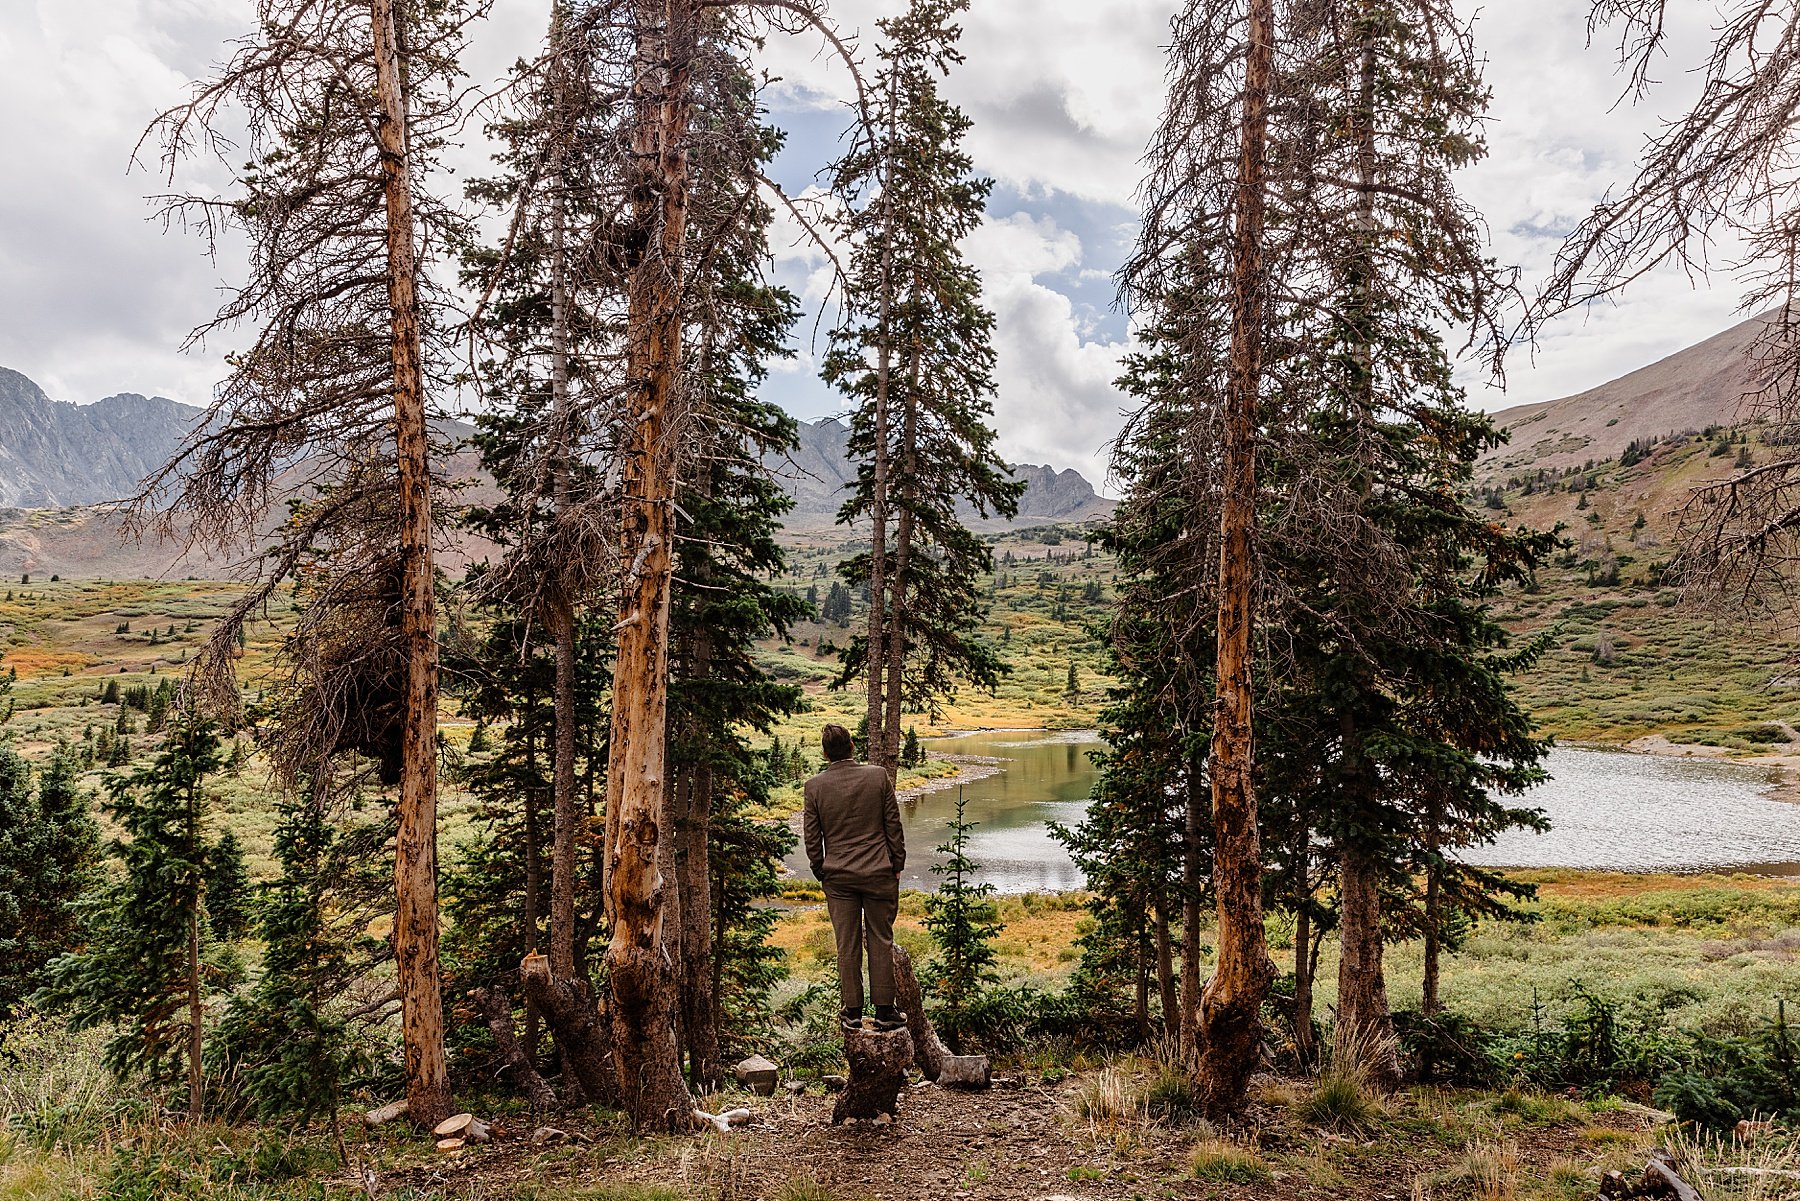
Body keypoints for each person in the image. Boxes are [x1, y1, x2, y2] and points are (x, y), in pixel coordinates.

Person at [803, 723, 907, 1031]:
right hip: (879, 872)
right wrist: (896, 862)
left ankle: (852, 1011)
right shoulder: (878, 777)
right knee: (881, 939)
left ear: (825, 754)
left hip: (838, 877)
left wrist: (820, 869)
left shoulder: (814, 786)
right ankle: (885, 1012)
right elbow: (893, 825)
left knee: (845, 944)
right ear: (852, 746)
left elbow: (812, 837)